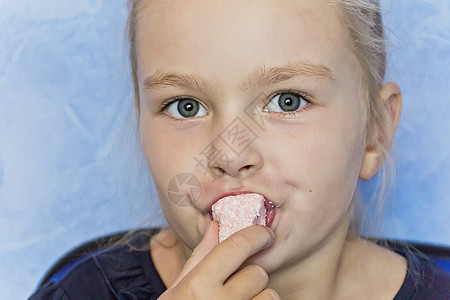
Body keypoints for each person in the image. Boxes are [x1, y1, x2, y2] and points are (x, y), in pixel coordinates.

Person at [30, 0, 450, 299]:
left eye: (288, 101)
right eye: (185, 107)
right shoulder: (80, 291)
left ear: (375, 131)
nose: (230, 156)